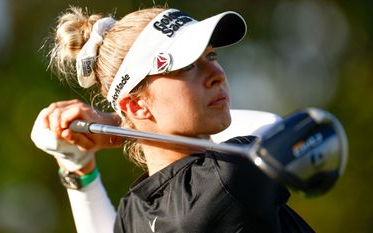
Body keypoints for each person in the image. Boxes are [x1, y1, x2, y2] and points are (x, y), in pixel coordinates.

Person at [31, 6, 315, 233]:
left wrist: (79, 167)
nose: (217, 73)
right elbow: (280, 127)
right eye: (188, 65)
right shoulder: (230, 178)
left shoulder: (138, 210)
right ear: (137, 106)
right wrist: (117, 128)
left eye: (211, 55)